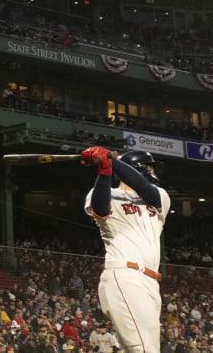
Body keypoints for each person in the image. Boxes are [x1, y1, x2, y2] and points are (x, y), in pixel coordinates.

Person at [80, 147, 169, 353]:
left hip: (150, 283)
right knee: (145, 349)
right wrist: (105, 170)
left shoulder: (160, 197)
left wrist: (111, 160)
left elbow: (144, 188)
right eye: (150, 167)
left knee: (140, 348)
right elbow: (101, 209)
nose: (153, 172)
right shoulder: (104, 192)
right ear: (138, 168)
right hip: (125, 276)